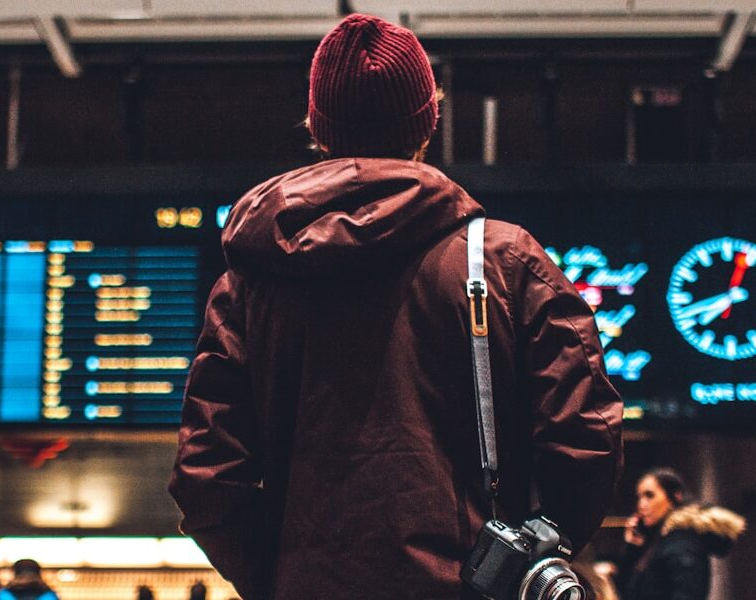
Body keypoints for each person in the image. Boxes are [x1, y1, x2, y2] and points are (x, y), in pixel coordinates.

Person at [168, 12, 623, 600]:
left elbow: (207, 479)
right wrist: (521, 562)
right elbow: (585, 439)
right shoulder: (504, 262)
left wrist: (282, 579)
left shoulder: (251, 283)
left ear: (317, 125)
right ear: (427, 122)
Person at [616, 468, 746, 600]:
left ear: (676, 496)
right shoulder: (661, 541)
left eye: (649, 496)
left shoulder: (681, 542)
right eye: (640, 497)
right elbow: (626, 591)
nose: (641, 504)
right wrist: (633, 547)